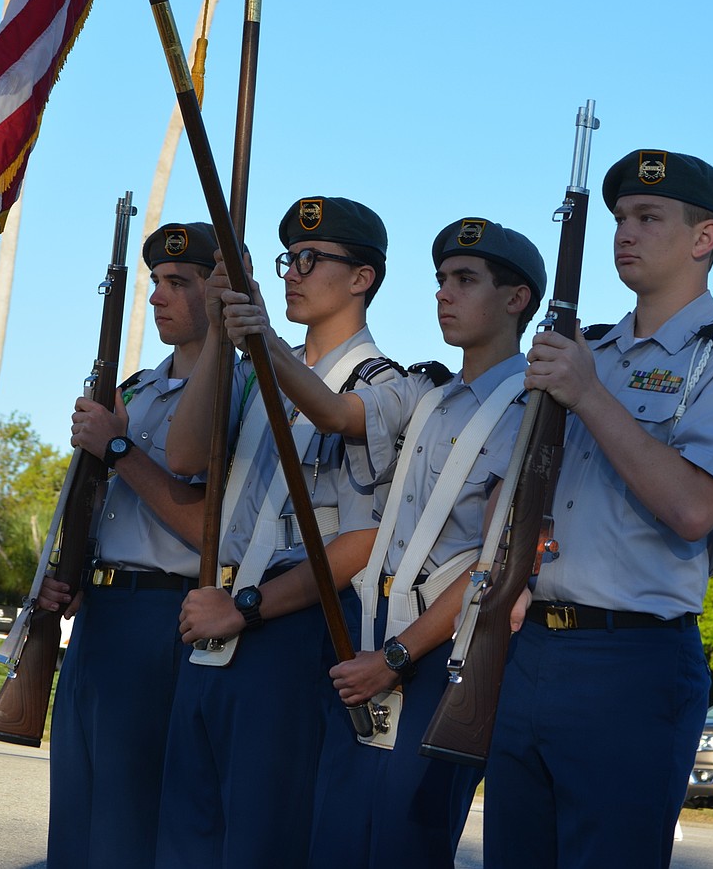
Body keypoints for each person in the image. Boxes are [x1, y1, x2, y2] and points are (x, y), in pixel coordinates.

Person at [484, 150, 713, 869]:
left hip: (634, 658)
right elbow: (507, 493)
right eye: (620, 217)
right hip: (535, 649)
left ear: (703, 237)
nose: (625, 232)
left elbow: (690, 507)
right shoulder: (592, 350)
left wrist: (587, 393)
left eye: (649, 217)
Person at [227, 216, 547, 869]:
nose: (442, 293)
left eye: (464, 280)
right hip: (370, 641)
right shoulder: (423, 390)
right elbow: (336, 410)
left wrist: (397, 656)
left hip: (436, 658)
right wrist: (267, 340)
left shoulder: (536, 410)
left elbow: (496, 564)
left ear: (517, 299)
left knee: (401, 845)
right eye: (439, 280)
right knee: (335, 842)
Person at [155, 196, 406, 869]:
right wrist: (219, 327)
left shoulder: (388, 384)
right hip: (212, 617)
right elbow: (184, 457)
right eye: (287, 259)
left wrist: (246, 608)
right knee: (186, 837)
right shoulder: (247, 367)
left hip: (289, 624)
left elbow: (362, 535)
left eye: (310, 259)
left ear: (363, 278)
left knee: (263, 840)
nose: (292, 272)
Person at [42, 221, 217, 869]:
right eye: (155, 283)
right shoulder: (137, 387)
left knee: (127, 825)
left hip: (162, 615)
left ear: (217, 292)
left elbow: (207, 528)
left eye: (179, 282)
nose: (157, 296)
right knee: (77, 816)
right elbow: (96, 503)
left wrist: (118, 445)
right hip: (101, 615)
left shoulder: (236, 392)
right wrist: (71, 573)